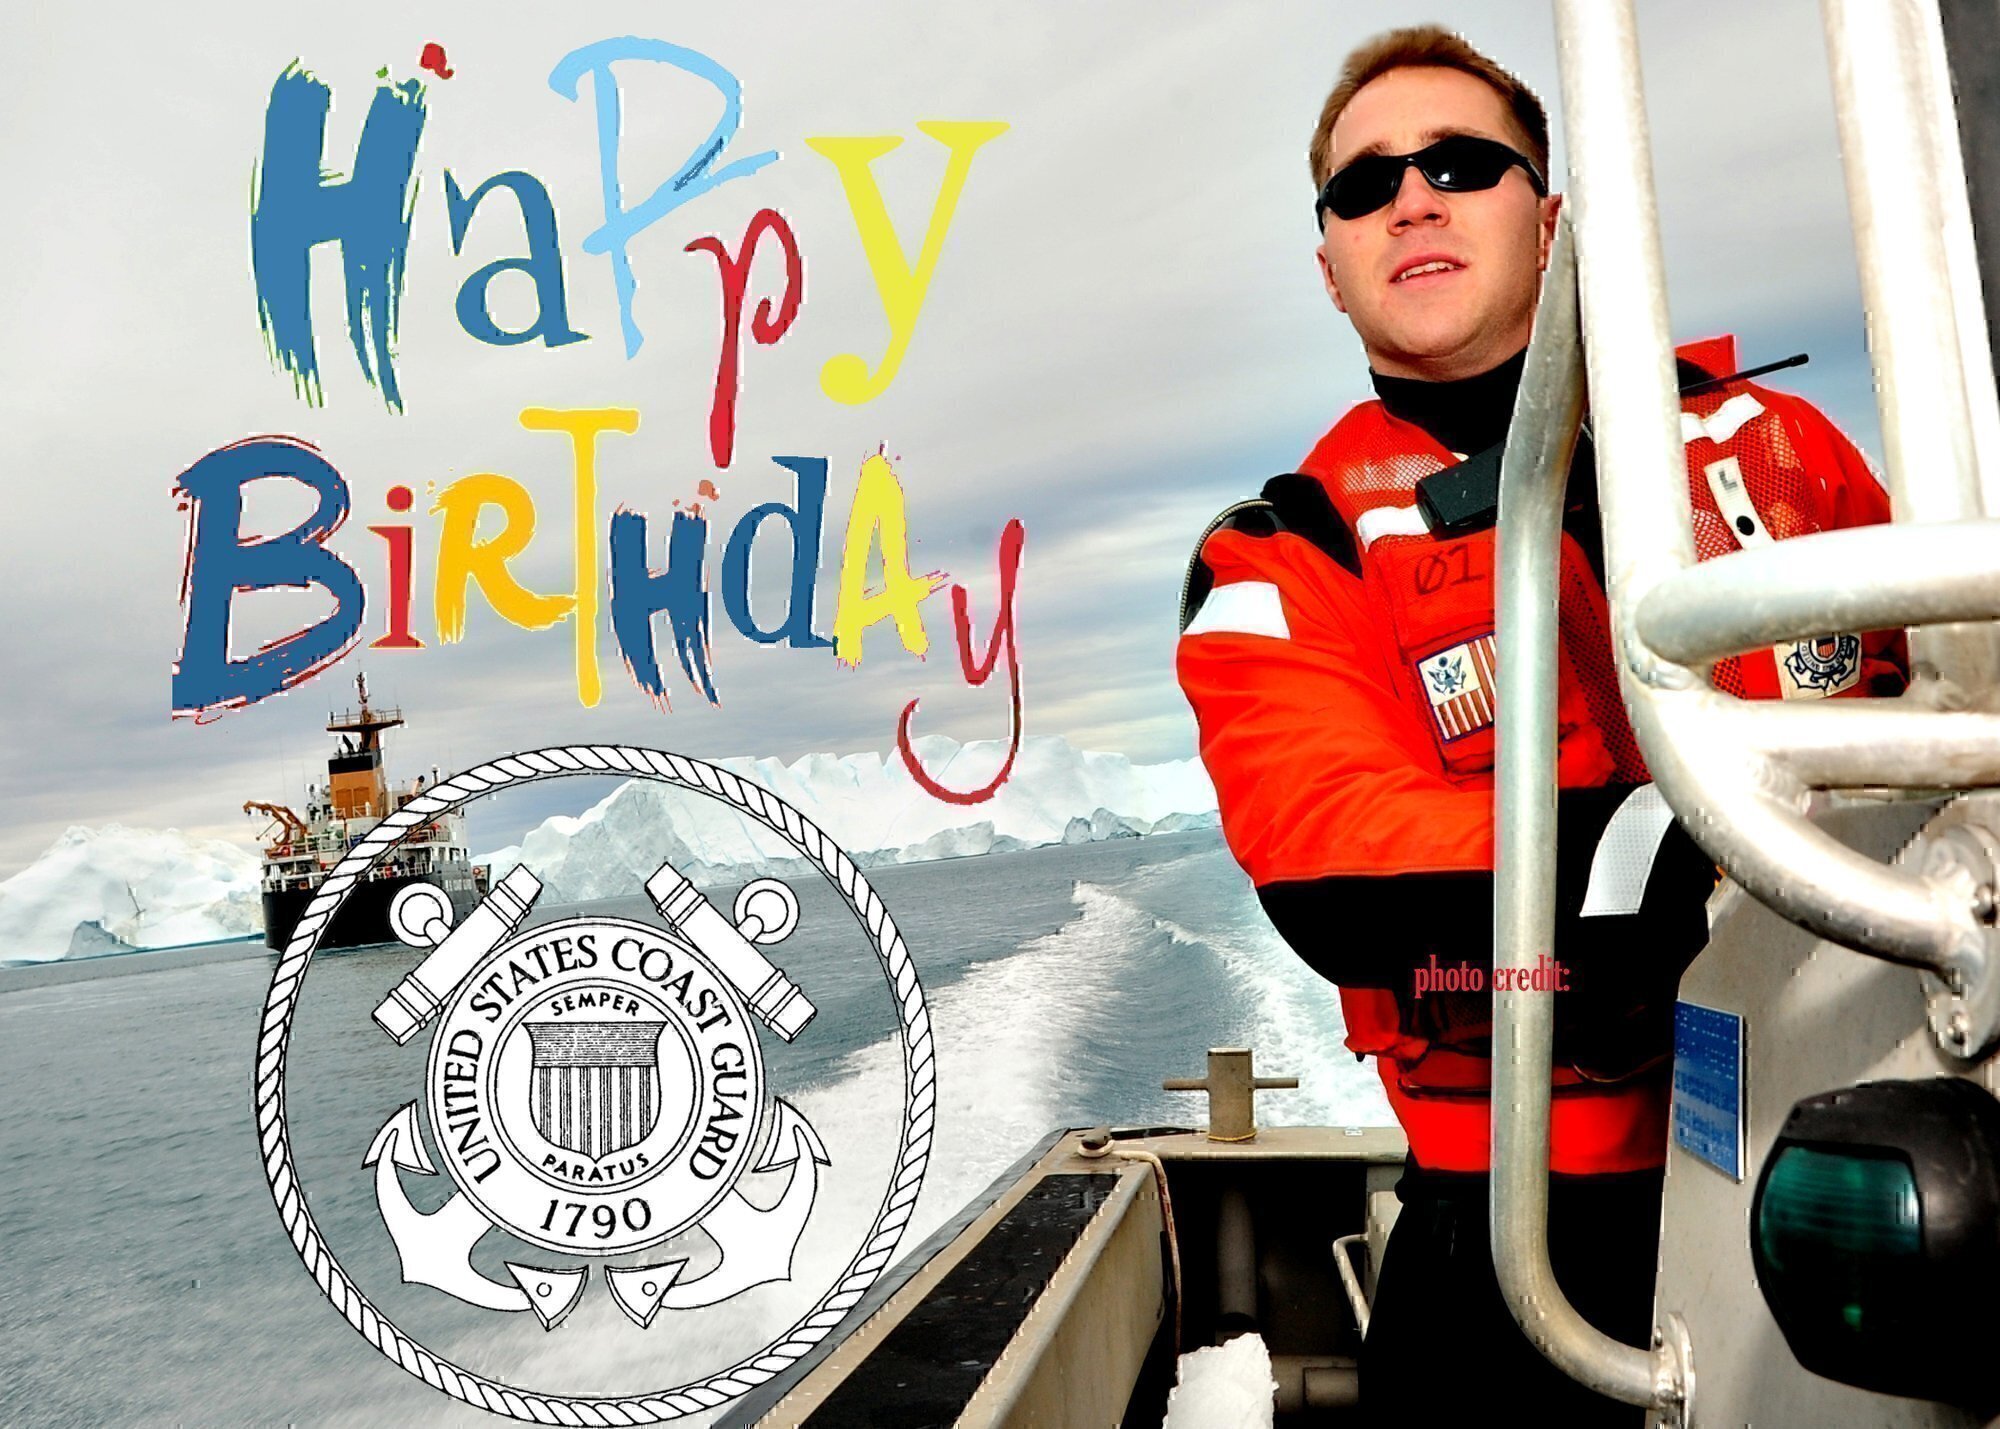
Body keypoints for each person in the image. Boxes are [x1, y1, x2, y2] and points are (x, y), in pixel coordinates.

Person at [1174, 25, 1906, 1425]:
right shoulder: (1286, 556)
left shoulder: (1784, 452)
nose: (1413, 198)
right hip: (1521, 1235)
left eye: (1461, 162)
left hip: (1846, 1159)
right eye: (1363, 185)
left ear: (1554, 216)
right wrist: (1671, 848)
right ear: (1329, 263)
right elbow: (1333, 864)